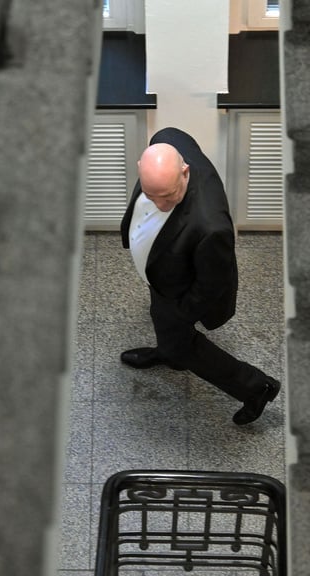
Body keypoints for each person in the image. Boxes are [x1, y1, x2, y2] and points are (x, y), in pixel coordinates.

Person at [119, 127, 280, 425]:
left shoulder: (210, 226)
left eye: (168, 197)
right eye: (151, 195)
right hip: (163, 273)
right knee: (163, 322)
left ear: (185, 171)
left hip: (180, 292)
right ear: (141, 167)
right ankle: (168, 352)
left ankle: (257, 387)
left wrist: (181, 314)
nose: (160, 205)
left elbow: (211, 284)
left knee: (182, 342)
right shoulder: (168, 140)